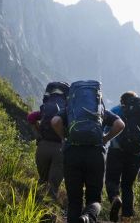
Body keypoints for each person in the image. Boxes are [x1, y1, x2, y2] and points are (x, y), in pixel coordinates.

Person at [51, 80, 125, 223]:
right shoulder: (101, 111)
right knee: (94, 200)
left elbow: (55, 121)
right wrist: (105, 139)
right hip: (95, 155)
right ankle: (87, 218)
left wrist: (63, 138)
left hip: (72, 154)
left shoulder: (70, 110)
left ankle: (80, 218)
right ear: (98, 96)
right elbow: (120, 124)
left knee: (74, 201)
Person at [105, 91, 140, 222]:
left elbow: (104, 129)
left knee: (111, 181)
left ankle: (115, 198)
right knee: (128, 187)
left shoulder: (116, 110)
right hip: (135, 156)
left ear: (122, 101)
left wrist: (104, 139)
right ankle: (126, 218)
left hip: (116, 152)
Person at [27, 82, 69, 200]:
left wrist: (38, 134)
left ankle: (31, 206)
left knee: (42, 181)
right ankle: (48, 212)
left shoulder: (45, 108)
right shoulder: (67, 111)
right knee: (53, 188)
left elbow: (30, 118)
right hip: (60, 150)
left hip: (43, 147)